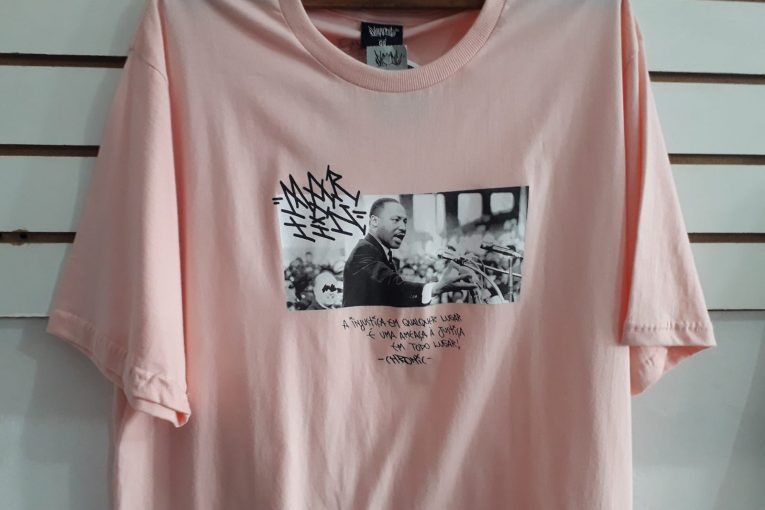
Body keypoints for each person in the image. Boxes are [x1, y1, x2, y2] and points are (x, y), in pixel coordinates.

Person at [342, 197, 477, 308]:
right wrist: (436, 287)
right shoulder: (364, 251)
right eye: (396, 220)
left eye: (405, 222)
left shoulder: (379, 252)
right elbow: (394, 288)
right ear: (374, 221)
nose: (403, 227)